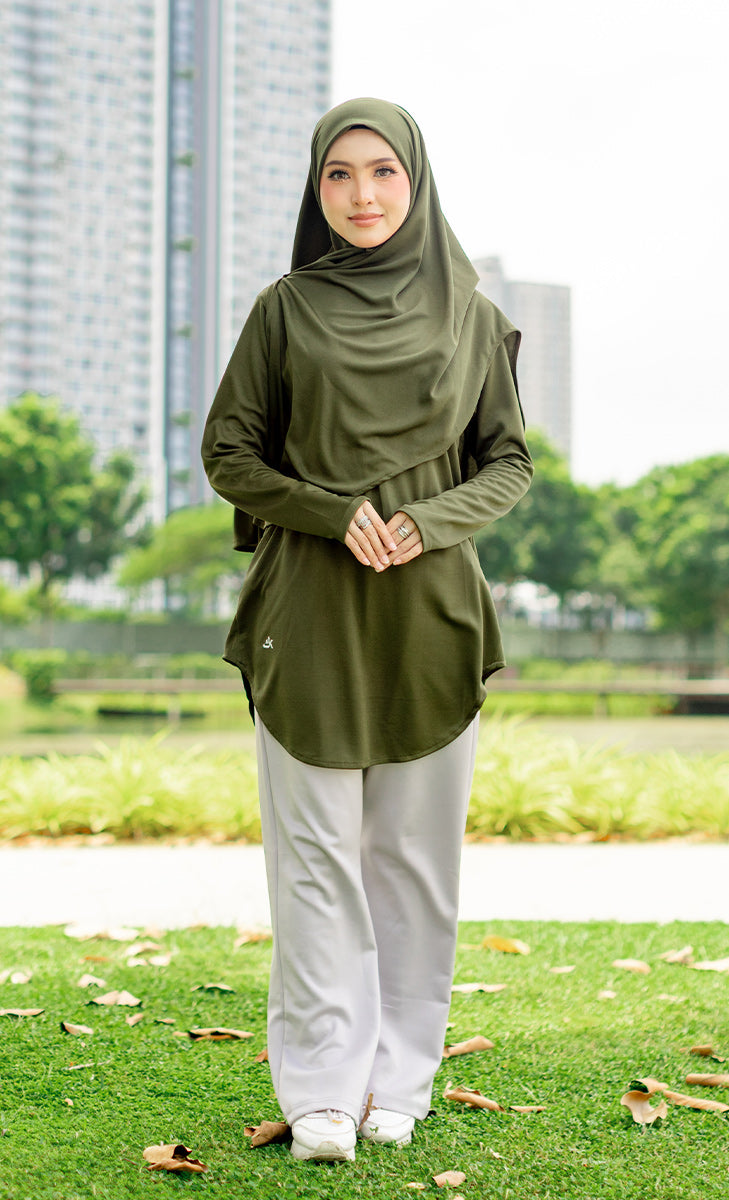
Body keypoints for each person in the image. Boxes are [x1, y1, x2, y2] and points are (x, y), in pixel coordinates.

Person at [201, 97, 533, 1164]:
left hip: (430, 612)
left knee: (413, 863)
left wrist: (427, 522)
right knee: (313, 864)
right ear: (317, 189)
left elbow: (508, 460)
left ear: (415, 180)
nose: (361, 194)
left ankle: (400, 1079)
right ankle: (322, 1092)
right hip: (307, 610)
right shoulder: (285, 310)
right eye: (338, 174)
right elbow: (229, 453)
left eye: (382, 171)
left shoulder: (471, 316)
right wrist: (328, 512)